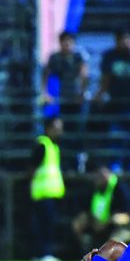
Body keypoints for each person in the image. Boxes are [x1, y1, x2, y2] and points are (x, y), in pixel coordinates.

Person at [92, 31, 130, 172]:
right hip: (116, 103)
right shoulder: (110, 56)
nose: (124, 43)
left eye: (127, 39)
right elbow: (105, 81)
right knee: (115, 136)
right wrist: (99, 96)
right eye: (121, 40)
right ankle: (115, 164)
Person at [40, 32, 90, 169]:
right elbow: (46, 73)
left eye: (69, 41)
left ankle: (80, 159)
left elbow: (85, 75)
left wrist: (82, 92)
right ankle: (65, 161)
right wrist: (45, 93)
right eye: (64, 41)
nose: (67, 44)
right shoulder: (56, 58)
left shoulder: (79, 56)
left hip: (77, 101)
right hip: (63, 101)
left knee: (79, 130)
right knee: (63, 131)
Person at [72, 165, 130, 254]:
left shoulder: (120, 189)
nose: (99, 179)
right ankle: (84, 250)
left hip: (116, 227)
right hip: (97, 224)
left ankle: (114, 259)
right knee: (78, 223)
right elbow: (86, 210)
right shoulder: (94, 189)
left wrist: (108, 221)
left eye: (102, 176)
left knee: (115, 239)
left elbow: (127, 216)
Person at [29, 116, 66, 261]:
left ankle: (42, 254)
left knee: (46, 225)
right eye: (56, 128)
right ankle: (44, 254)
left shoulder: (53, 146)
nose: (59, 131)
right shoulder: (42, 145)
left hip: (50, 193)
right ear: (48, 128)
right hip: (42, 193)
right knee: (44, 225)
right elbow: (32, 168)